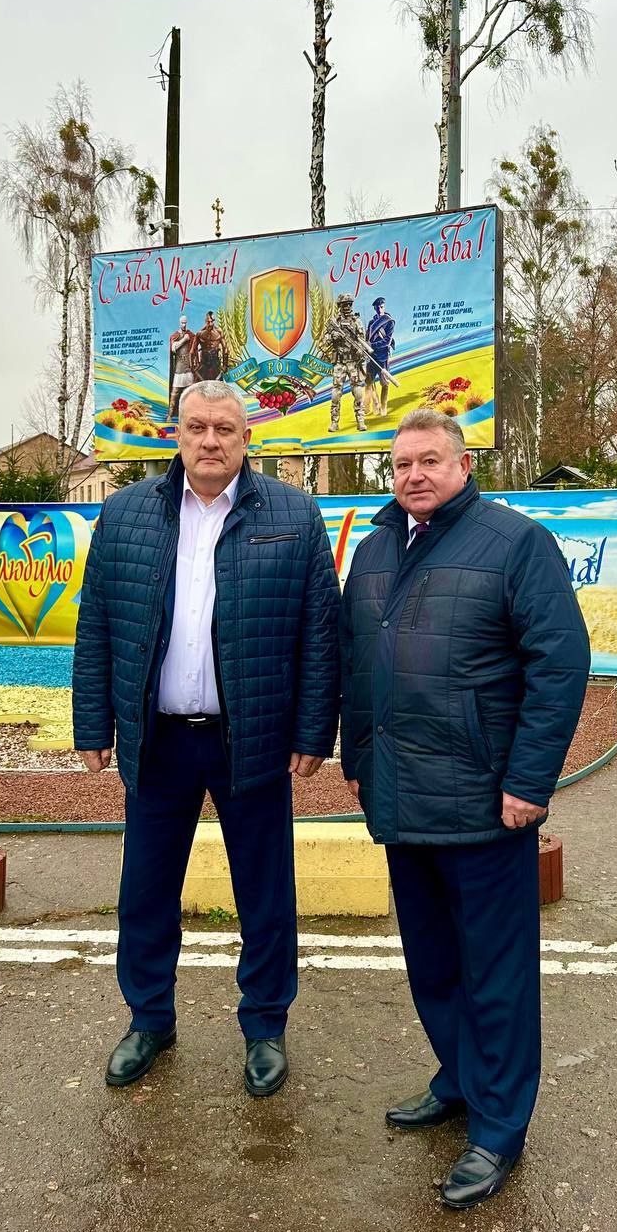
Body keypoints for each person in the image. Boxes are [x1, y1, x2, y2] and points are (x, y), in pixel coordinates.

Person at [339, 408, 590, 1210]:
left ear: (463, 464)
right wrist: (358, 760)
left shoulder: (514, 543)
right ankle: (457, 1079)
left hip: (484, 802)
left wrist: (529, 781)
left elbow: (559, 666)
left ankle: (498, 1128)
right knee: (434, 963)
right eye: (401, 463)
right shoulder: (375, 549)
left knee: (496, 975)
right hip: (399, 794)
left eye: (428, 460)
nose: (413, 475)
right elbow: (356, 663)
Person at [72, 380, 340, 1098]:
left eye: (225, 429)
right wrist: (93, 722)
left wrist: (314, 730)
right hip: (157, 741)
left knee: (265, 892)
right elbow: (96, 624)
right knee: (145, 890)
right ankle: (149, 1019)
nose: (211, 440)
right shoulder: (126, 513)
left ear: (247, 439)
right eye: (197, 427)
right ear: (177, 434)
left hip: (252, 739)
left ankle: (265, 1027)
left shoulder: (293, 513)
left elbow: (319, 633)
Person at [323, 293, 368, 433]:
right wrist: (332, 336)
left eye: (349, 304)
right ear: (340, 306)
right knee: (336, 393)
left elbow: (362, 340)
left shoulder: (357, 322)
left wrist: (360, 350)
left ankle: (360, 420)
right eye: (345, 304)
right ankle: (334, 422)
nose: (348, 307)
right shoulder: (334, 323)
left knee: (358, 391)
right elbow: (323, 342)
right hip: (340, 363)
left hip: (353, 362)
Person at [364, 295, 396, 418]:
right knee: (368, 382)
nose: (379, 309)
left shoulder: (389, 322)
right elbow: (367, 338)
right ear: (375, 308)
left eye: (381, 307)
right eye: (377, 307)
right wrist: (366, 346)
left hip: (382, 356)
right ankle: (374, 404)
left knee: (384, 383)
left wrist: (372, 345)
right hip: (371, 356)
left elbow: (387, 341)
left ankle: (383, 407)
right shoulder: (371, 323)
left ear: (384, 307)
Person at [167, 315, 196, 420]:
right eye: (182, 323)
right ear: (179, 323)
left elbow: (195, 347)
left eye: (185, 323)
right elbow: (173, 348)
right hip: (179, 368)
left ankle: (192, 415)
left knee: (191, 392)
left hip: (188, 368)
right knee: (174, 393)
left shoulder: (191, 335)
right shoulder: (175, 335)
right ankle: (170, 415)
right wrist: (184, 340)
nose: (184, 325)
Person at [191, 310, 229, 381]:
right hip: (203, 364)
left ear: (214, 321)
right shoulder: (199, 334)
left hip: (216, 364)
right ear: (206, 321)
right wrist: (192, 366)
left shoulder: (219, 332)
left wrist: (225, 365)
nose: (210, 324)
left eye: (212, 321)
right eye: (208, 322)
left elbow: (225, 349)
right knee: (199, 384)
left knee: (218, 385)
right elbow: (192, 351)